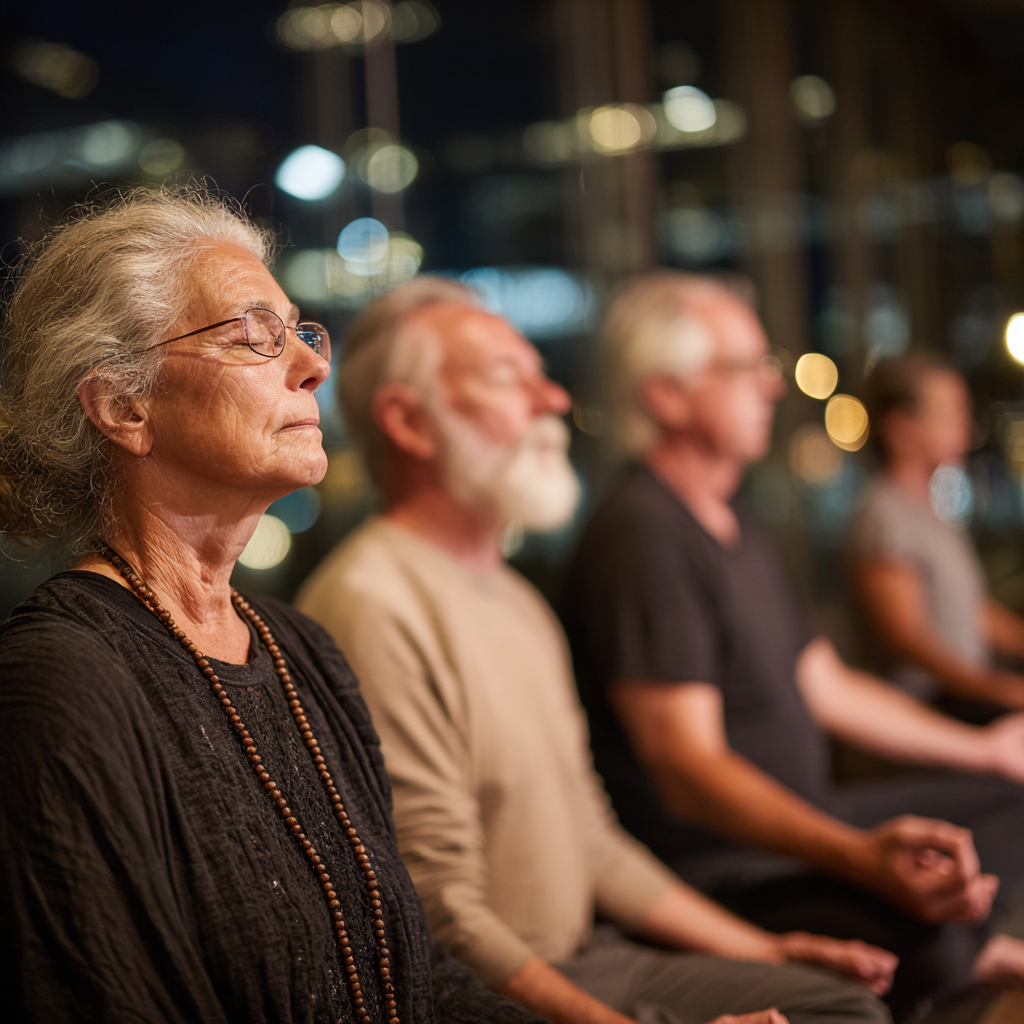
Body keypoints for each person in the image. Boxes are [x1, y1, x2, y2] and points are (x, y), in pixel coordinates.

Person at [0, 187, 547, 1024]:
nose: (313, 365)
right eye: (254, 335)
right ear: (123, 406)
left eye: (300, 329)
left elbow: (411, 975)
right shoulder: (62, 681)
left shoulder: (302, 649)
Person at [297, 277, 897, 1024]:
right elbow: (441, 915)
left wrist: (766, 952)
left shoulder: (519, 602)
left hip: (596, 953)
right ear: (409, 422)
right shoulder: (372, 603)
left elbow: (592, 840)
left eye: (541, 374)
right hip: (496, 998)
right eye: (508, 377)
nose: (552, 401)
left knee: (841, 1001)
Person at [558, 271, 1024, 1023]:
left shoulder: (731, 509)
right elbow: (688, 771)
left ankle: (973, 942)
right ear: (667, 396)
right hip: (724, 869)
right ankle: (974, 948)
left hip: (806, 821)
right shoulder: (643, 531)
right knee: (923, 947)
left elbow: (826, 683)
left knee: (1011, 799)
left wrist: (990, 751)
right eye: (747, 369)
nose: (772, 388)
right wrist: (856, 855)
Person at [848, 353, 1024, 721]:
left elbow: (968, 611)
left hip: (959, 700)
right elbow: (906, 640)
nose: (966, 425)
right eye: (950, 412)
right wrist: (993, 687)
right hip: (924, 713)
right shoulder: (884, 517)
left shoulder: (930, 509)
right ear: (900, 428)